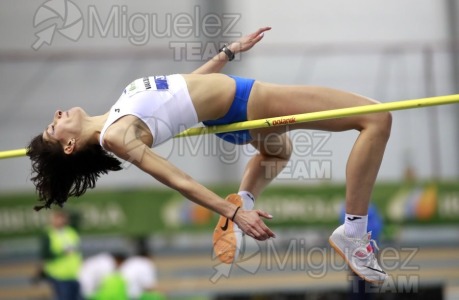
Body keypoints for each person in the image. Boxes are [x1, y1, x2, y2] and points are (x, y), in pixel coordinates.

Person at [26, 27, 391, 284]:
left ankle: (246, 196)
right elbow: (176, 178)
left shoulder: (115, 115)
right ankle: (353, 233)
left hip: (228, 114)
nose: (57, 116)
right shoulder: (117, 136)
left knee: (279, 153)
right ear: (69, 146)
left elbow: (183, 90)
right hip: (247, 102)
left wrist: (227, 53)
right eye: (52, 128)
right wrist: (231, 212)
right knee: (376, 118)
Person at [37, 209, 82, 300]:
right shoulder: (48, 234)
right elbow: (45, 254)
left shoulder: (71, 231)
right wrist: (61, 253)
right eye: (57, 218)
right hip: (59, 275)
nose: (60, 221)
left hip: (75, 273)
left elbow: (78, 216)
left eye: (62, 218)